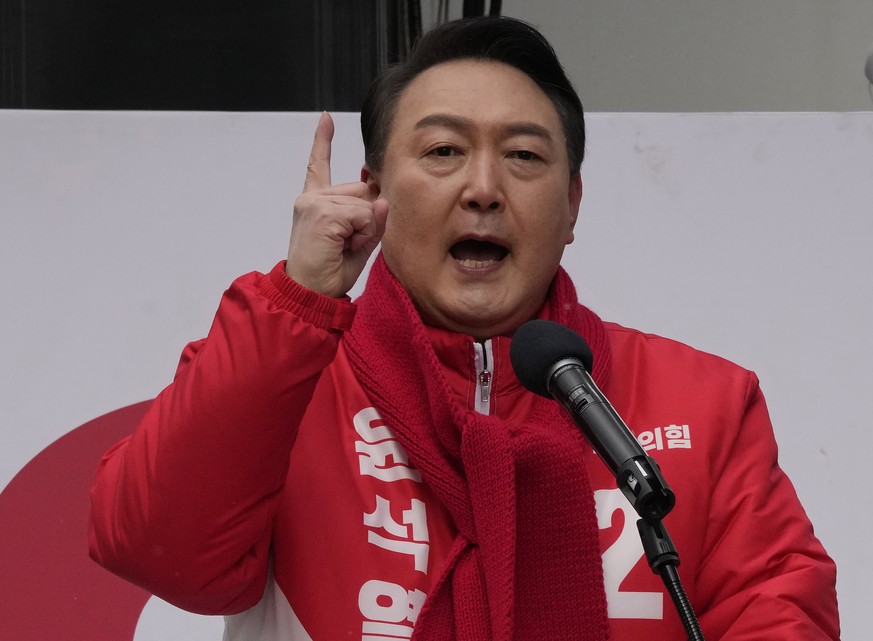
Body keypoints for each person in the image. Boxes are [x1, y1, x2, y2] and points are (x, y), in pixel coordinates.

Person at [88, 16, 839, 641]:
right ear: (374, 192)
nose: (482, 189)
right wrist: (297, 299)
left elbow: (781, 613)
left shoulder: (703, 402)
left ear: (572, 205)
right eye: (443, 151)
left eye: (522, 157)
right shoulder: (288, 381)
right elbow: (160, 548)